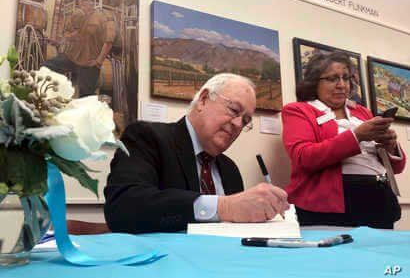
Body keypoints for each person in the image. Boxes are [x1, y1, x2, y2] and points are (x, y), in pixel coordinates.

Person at [104, 73, 289, 233]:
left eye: (246, 120)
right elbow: (122, 208)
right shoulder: (147, 137)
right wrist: (224, 207)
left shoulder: (229, 169)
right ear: (203, 100)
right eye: (234, 110)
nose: (238, 124)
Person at [282, 52, 406, 229]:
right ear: (314, 82)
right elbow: (303, 157)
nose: (342, 85)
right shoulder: (299, 110)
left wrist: (391, 146)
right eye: (333, 78)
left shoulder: (362, 112)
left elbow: (397, 168)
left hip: (379, 199)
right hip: (331, 204)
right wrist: (357, 136)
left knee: (380, 256)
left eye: (346, 78)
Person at [43, 0, 115, 96]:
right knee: (47, 66)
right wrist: (61, 41)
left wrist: (98, 62)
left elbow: (108, 42)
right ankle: (53, 94)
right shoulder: (77, 16)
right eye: (79, 1)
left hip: (89, 63)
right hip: (72, 58)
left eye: (83, 1)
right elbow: (68, 34)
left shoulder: (101, 18)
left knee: (86, 96)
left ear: (91, 3)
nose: (80, 4)